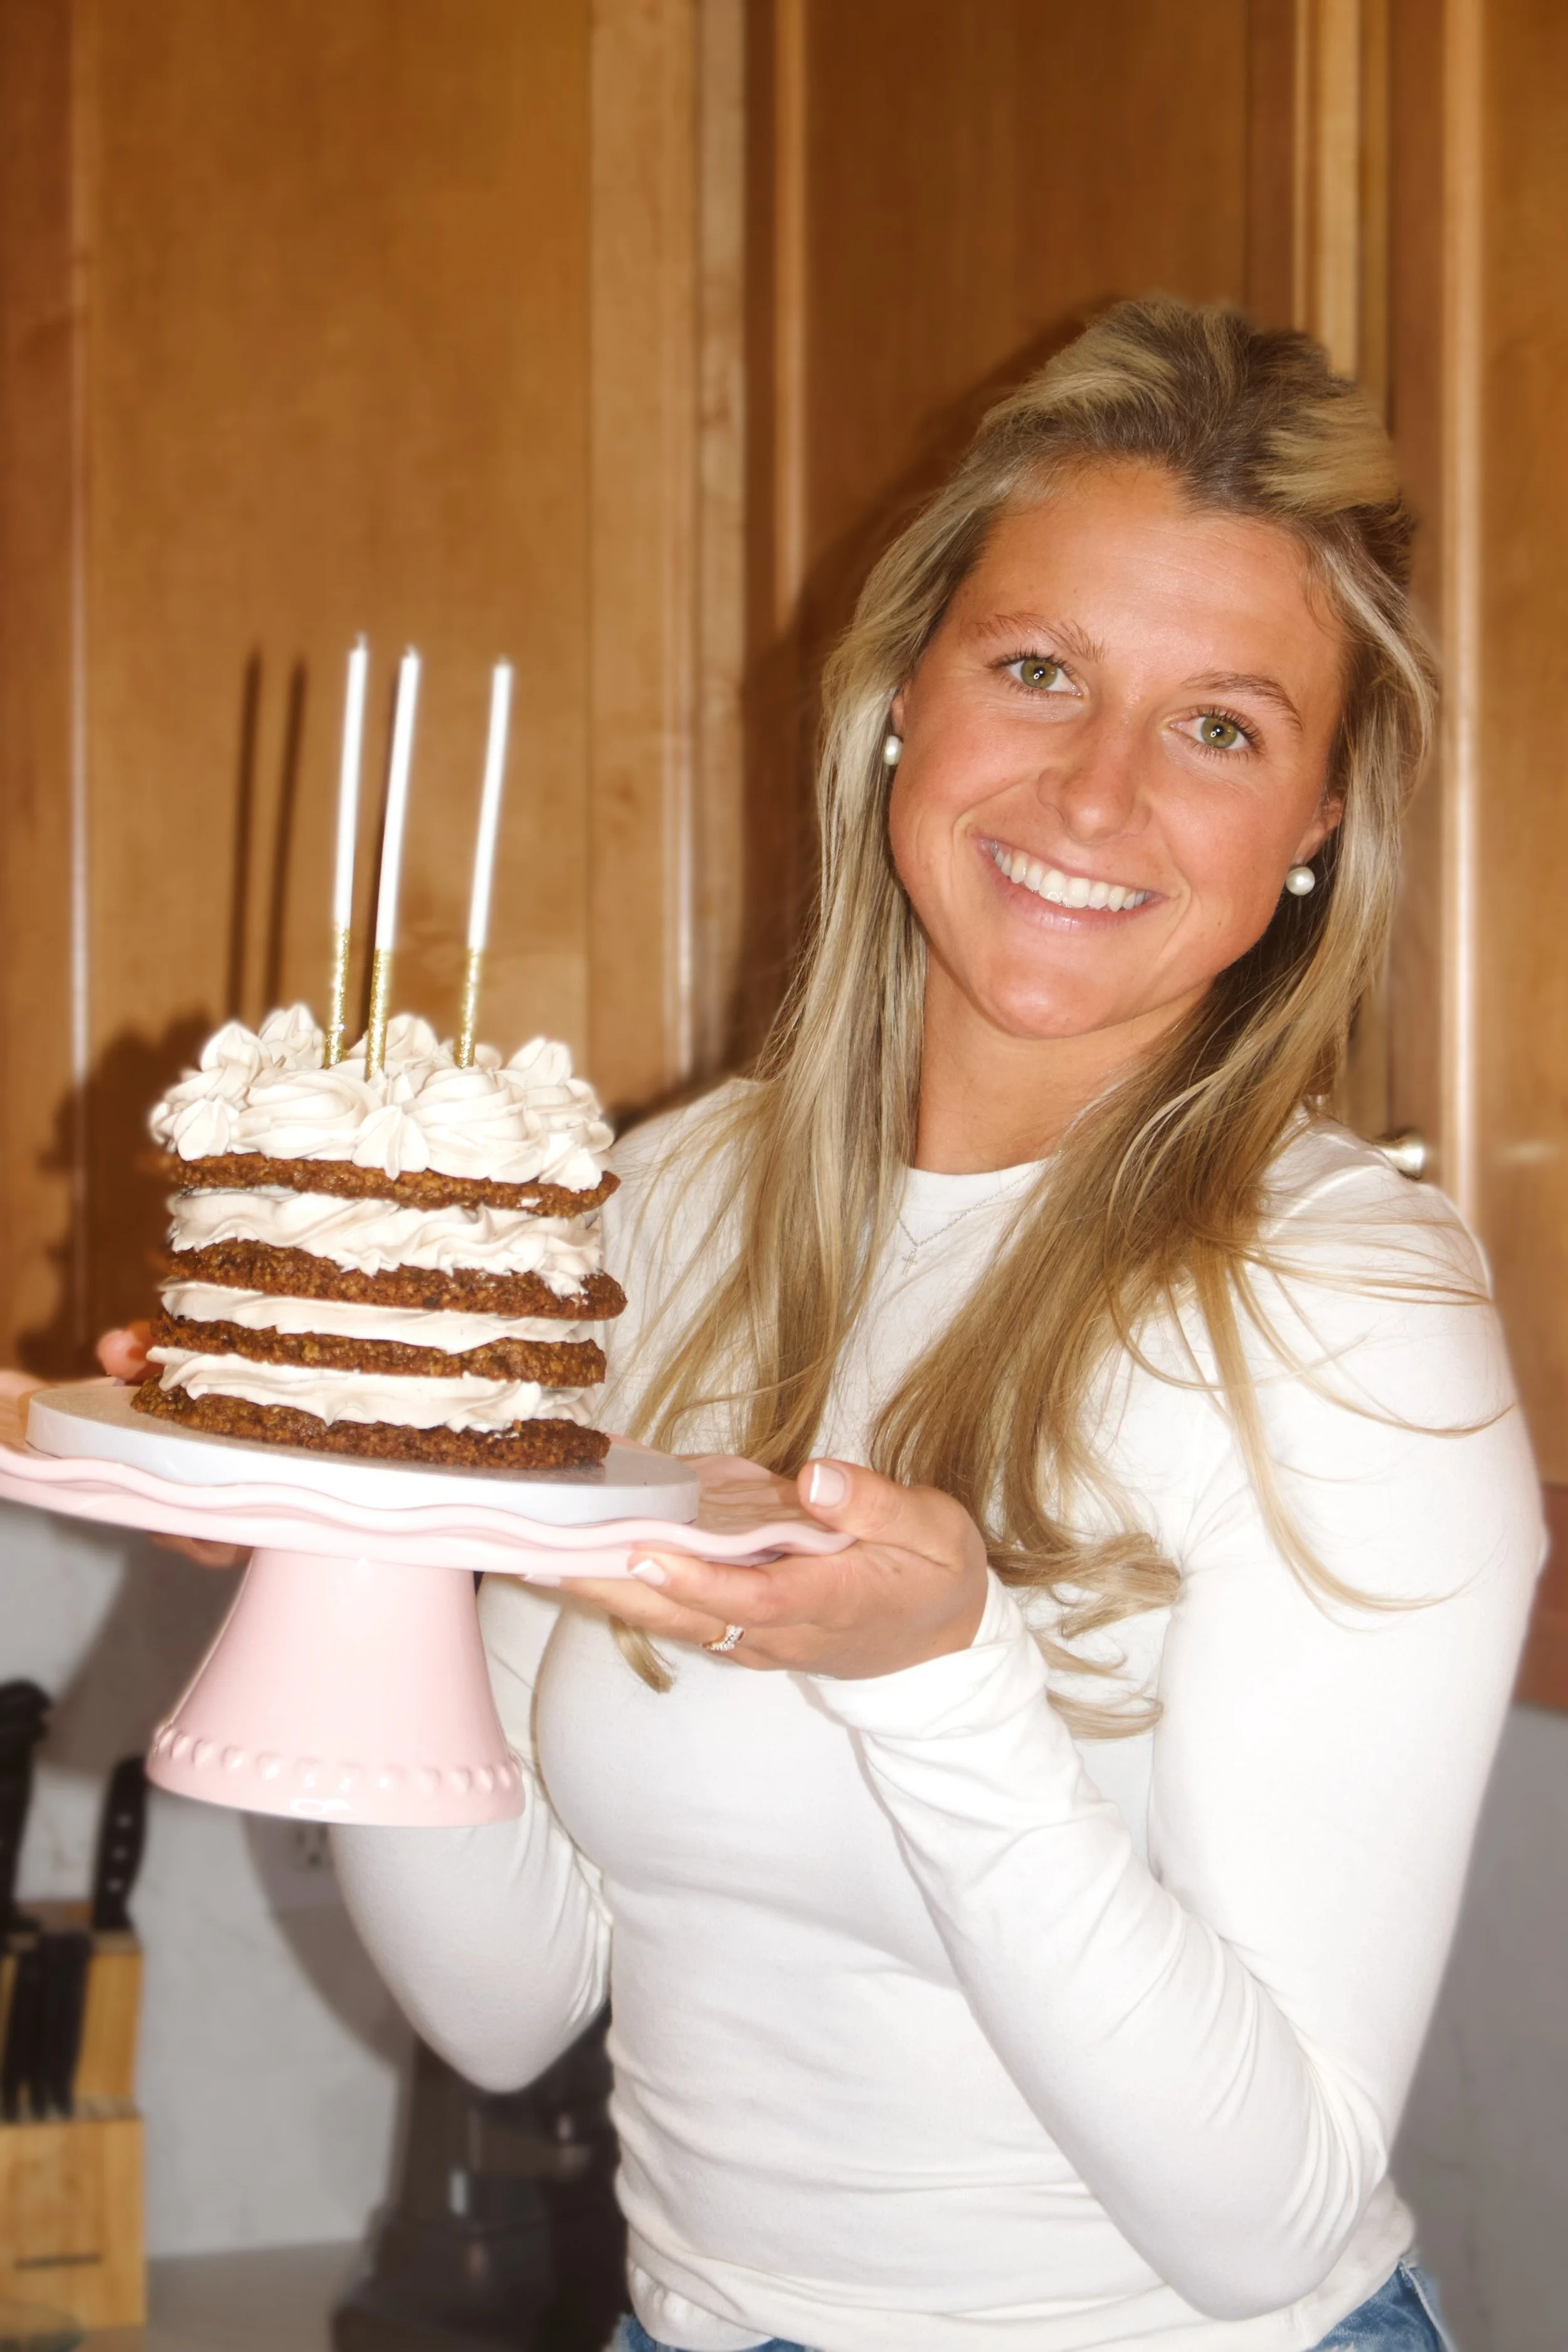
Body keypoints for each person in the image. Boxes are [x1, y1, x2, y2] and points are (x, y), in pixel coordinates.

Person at [161, 304, 1557, 2347]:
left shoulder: (1341, 1310)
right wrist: (344, 1508)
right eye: (1037, 669)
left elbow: (1266, 2220)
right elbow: (502, 1995)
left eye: (1219, 726)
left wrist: (944, 1678)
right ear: (907, 691)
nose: (1092, 793)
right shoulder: (659, 1205)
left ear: (1316, 830)